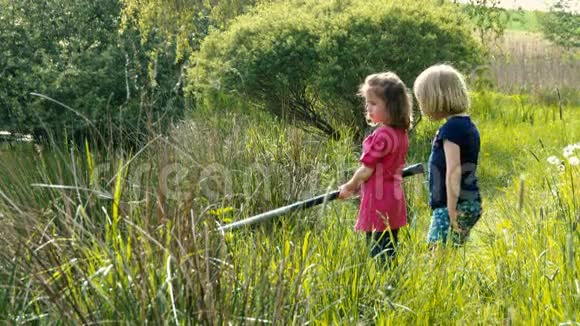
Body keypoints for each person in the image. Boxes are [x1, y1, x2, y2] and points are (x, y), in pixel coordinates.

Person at [338, 72, 412, 264]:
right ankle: (392, 282)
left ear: (392, 107)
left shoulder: (382, 135)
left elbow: (366, 170)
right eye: (367, 102)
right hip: (394, 199)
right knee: (389, 246)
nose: (368, 108)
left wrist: (349, 186)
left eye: (374, 103)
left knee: (378, 251)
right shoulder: (400, 133)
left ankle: (387, 287)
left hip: (379, 202)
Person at [413, 64, 482, 247]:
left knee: (438, 257)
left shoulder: (451, 129)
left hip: (451, 205)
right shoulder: (467, 126)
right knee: (448, 254)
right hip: (468, 201)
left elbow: (454, 170)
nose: (422, 106)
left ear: (437, 98)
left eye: (423, 100)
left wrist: (450, 209)